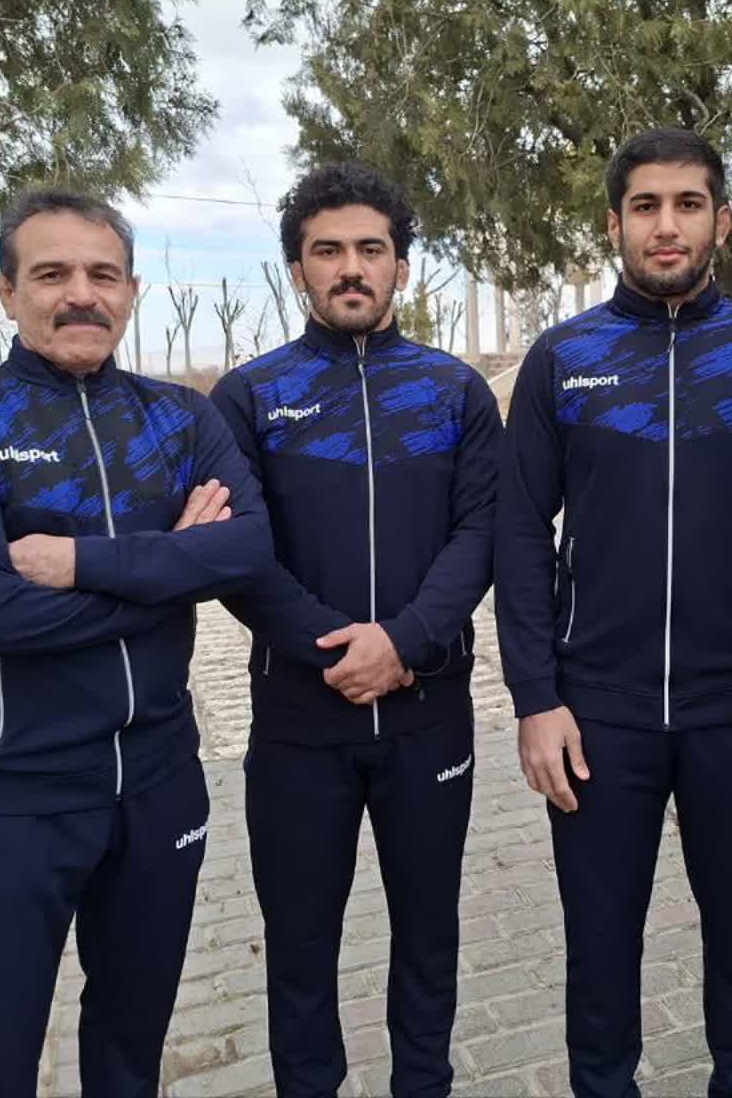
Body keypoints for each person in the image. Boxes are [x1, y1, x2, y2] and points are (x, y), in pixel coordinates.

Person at [0, 188, 276, 1097]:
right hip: (7, 796)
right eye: (51, 273)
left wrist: (79, 564)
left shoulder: (181, 419)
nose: (80, 294)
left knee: (129, 1053)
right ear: (7, 291)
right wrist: (173, 570)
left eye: (103, 274)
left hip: (160, 783)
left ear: (131, 291)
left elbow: (249, 548)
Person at [496, 128, 732, 1098]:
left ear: (721, 222)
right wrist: (535, 697)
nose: (666, 225)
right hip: (594, 713)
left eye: (688, 204)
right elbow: (517, 532)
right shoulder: (564, 359)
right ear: (613, 224)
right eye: (644, 205)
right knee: (600, 948)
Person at [209, 162, 499, 1098]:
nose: (350, 267)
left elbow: (480, 532)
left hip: (429, 716)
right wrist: (337, 648)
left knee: (430, 936)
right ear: (297, 269)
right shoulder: (250, 397)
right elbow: (238, 552)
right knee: (299, 945)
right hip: (299, 722)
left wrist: (404, 642)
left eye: (370, 249)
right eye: (326, 250)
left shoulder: (454, 392)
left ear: (400, 267)